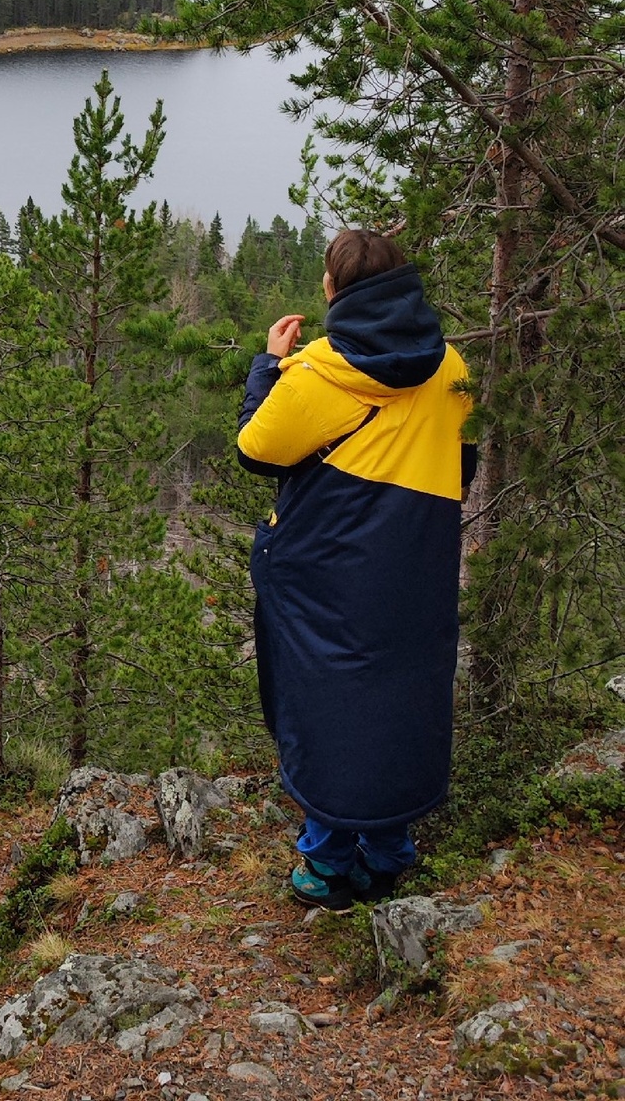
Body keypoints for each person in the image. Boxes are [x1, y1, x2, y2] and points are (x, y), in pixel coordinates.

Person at [238, 229, 475, 910]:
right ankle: (391, 852)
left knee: (327, 701)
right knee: (398, 696)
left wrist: (267, 365)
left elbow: (257, 449)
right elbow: (463, 466)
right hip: (413, 565)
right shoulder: (452, 364)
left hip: (325, 567)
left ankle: (327, 863)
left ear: (333, 289)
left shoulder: (317, 370)